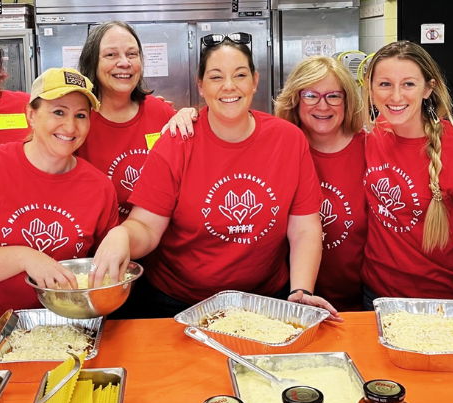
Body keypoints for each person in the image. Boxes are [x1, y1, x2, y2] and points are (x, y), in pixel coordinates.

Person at [91, 33, 341, 321]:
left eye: (240, 75)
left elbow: (304, 228)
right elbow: (146, 227)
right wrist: (122, 234)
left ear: (255, 81)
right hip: (177, 304)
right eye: (216, 77)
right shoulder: (177, 143)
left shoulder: (288, 141)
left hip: (264, 302)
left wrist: (301, 292)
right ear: (200, 85)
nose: (229, 86)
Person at [0, 68, 118, 322]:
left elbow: (102, 270)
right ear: (31, 114)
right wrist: (26, 257)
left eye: (81, 115)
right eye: (58, 112)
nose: (70, 126)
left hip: (69, 325)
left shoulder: (100, 187)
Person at [361, 41, 453, 310]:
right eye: (385, 84)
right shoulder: (371, 136)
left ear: (428, 88)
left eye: (408, 84)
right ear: (371, 89)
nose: (396, 97)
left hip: (438, 298)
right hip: (373, 292)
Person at [273, 56, 366, 312]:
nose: (323, 106)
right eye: (311, 95)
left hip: (361, 299)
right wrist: (181, 115)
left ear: (347, 100)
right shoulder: (277, 149)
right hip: (290, 299)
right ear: (295, 99)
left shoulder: (370, 148)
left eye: (334, 96)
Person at [76, 21, 192, 222]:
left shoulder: (162, 113)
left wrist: (191, 117)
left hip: (159, 245)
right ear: (92, 63)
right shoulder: (78, 120)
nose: (124, 63)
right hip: (98, 247)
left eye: (132, 54)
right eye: (111, 55)